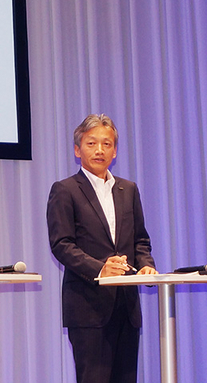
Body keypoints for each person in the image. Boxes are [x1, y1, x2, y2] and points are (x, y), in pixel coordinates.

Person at [46, 114, 157, 383]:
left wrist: (146, 265)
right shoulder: (65, 190)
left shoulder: (128, 189)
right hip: (88, 309)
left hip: (127, 308)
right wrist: (100, 270)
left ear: (115, 151)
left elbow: (140, 240)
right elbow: (61, 244)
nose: (99, 150)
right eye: (91, 143)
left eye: (107, 144)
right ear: (77, 150)